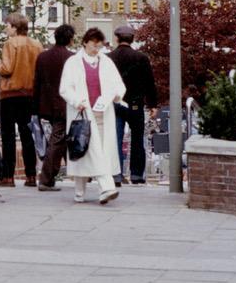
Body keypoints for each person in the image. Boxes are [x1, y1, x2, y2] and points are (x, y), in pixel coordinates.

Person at [59, 26, 125, 205]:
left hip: (103, 113)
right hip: (83, 113)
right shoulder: (73, 62)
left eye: (99, 46)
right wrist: (75, 101)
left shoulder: (106, 62)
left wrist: (113, 95)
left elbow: (118, 85)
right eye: (93, 45)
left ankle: (83, 193)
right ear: (85, 43)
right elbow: (65, 88)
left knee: (97, 151)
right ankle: (105, 188)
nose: (96, 49)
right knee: (85, 150)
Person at [0, 13, 42, 187]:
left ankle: (8, 176)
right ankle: (31, 175)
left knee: (8, 135)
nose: (5, 28)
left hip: (10, 95)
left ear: (15, 27)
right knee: (27, 134)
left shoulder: (10, 43)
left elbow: (7, 68)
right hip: (29, 94)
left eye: (7, 25)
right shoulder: (36, 44)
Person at [109, 23, 157, 185]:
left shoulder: (109, 58)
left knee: (116, 138)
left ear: (116, 39)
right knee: (137, 139)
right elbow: (149, 83)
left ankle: (116, 174)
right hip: (135, 104)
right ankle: (137, 174)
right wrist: (152, 105)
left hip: (115, 103)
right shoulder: (141, 58)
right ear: (132, 39)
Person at [32, 23, 75, 190]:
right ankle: (46, 178)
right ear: (70, 39)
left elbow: (38, 83)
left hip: (47, 105)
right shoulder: (71, 58)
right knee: (57, 141)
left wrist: (35, 107)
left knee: (59, 139)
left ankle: (53, 175)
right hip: (65, 105)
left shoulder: (43, 57)